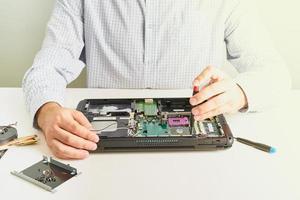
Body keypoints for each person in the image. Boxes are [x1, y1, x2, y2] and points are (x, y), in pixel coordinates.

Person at [23, 0, 291, 159]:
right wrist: (47, 111)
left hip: (201, 159)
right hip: (99, 155)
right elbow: (48, 67)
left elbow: (276, 74)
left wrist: (240, 92)